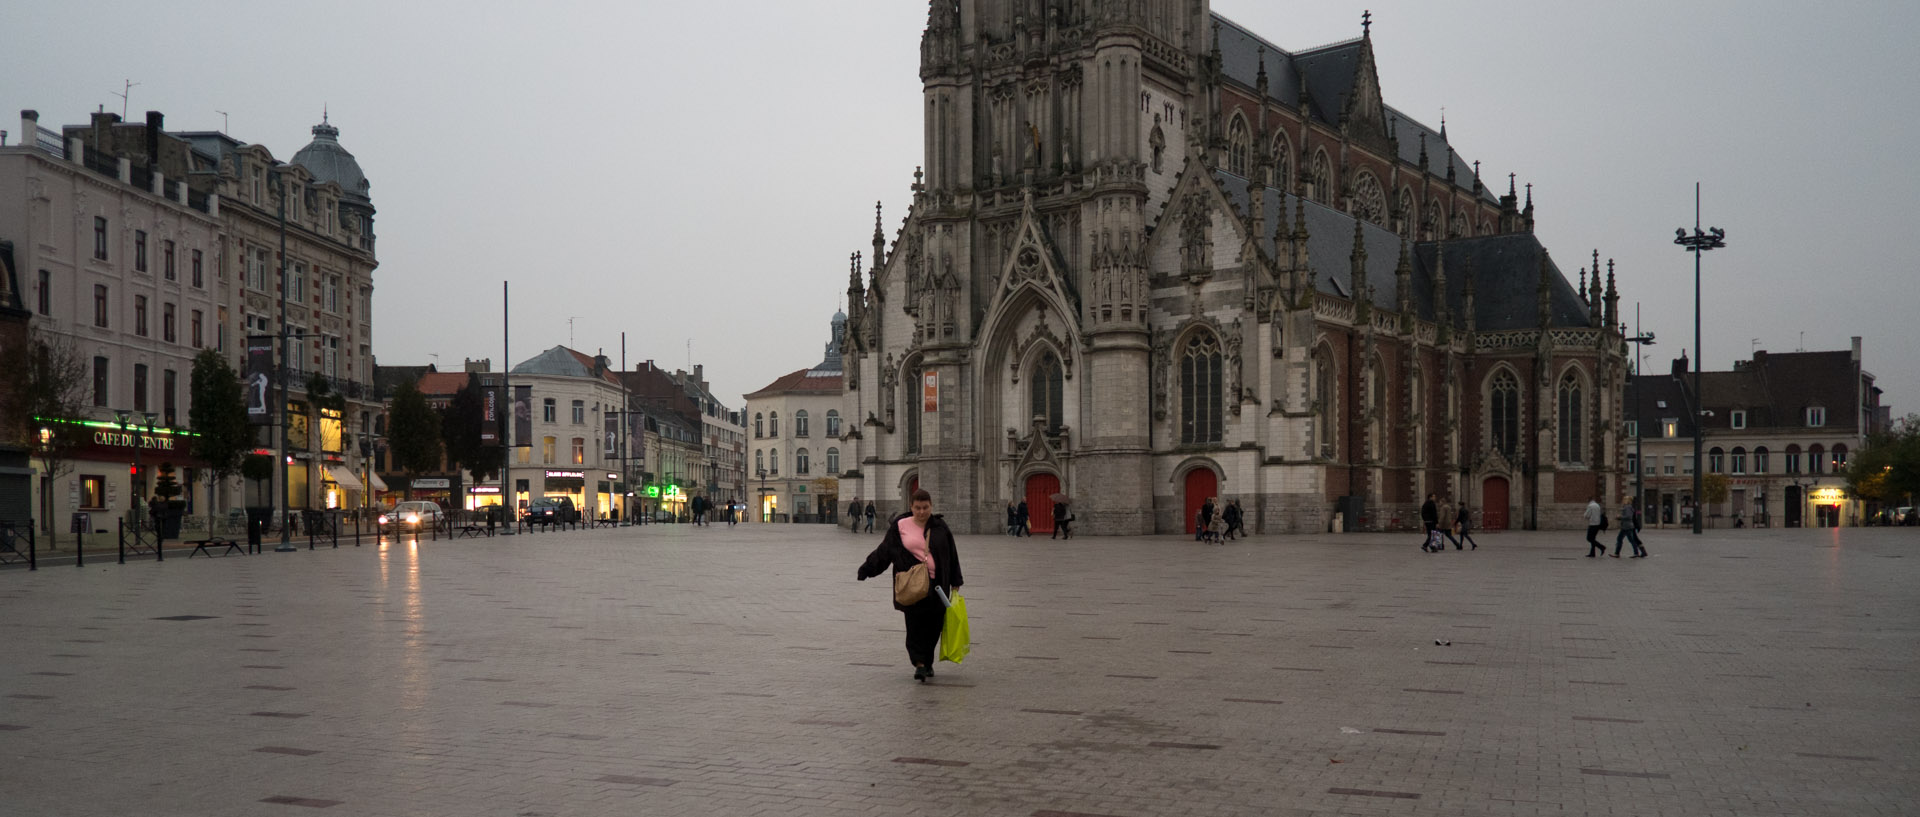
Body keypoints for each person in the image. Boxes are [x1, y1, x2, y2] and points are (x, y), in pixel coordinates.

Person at [856, 489, 964, 683]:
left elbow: (952, 555)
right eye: (917, 508)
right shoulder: (900, 526)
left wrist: (956, 581)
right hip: (911, 584)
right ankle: (919, 664)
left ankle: (927, 661)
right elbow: (884, 551)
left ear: (931, 506)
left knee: (935, 625)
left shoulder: (940, 527)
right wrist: (867, 570)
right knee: (914, 625)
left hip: (938, 585)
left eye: (925, 508)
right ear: (911, 507)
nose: (921, 512)